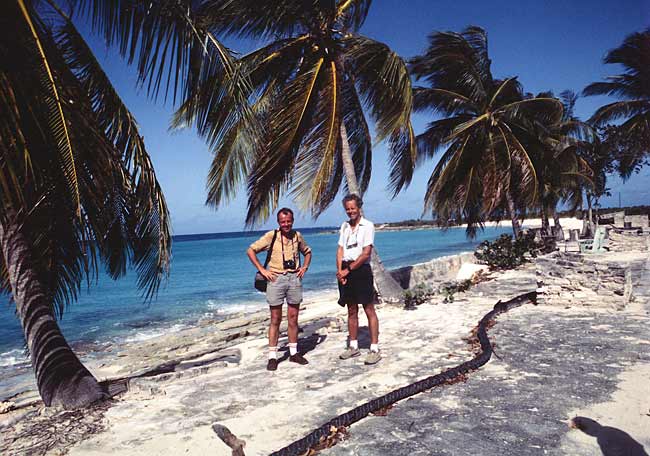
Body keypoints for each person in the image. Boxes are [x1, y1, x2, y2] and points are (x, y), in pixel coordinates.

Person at [247, 208, 312, 371]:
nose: (286, 224)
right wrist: (263, 270)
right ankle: (272, 356)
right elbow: (250, 250)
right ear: (278, 222)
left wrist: (304, 267)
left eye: (288, 221)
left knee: (293, 317)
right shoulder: (272, 236)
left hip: (294, 279)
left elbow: (308, 252)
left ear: (293, 220)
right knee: (275, 318)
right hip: (275, 279)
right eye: (283, 221)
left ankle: (293, 353)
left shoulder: (297, 236)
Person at [336, 194, 381, 365]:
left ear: (359, 207)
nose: (350, 211)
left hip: (360, 270)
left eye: (353, 208)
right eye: (347, 209)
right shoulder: (344, 226)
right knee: (351, 309)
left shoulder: (367, 226)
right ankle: (353, 347)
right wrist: (340, 271)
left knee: (369, 308)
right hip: (346, 270)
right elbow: (340, 249)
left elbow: (366, 253)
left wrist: (347, 270)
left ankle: (374, 348)